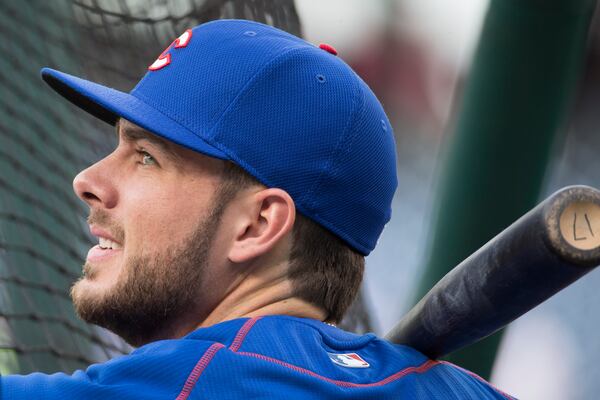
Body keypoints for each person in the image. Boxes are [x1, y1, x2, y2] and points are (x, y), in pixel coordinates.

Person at [1, 19, 514, 399]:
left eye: (145, 158)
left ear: (258, 224)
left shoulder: (185, 384)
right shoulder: (468, 392)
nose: (87, 181)